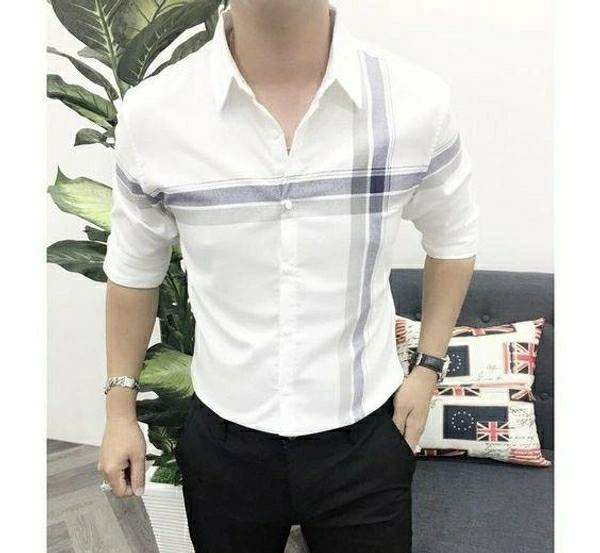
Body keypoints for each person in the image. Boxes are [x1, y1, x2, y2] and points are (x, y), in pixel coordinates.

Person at [97, 1, 479, 551]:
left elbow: (453, 241)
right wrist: (119, 411)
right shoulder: (155, 114)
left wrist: (428, 368)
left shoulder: (415, 103)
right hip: (225, 437)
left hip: (366, 436)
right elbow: (134, 271)